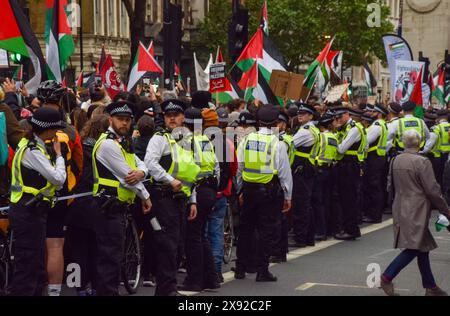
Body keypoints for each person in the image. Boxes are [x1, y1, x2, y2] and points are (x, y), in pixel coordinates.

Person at [91, 101, 152, 295]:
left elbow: (141, 165)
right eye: (120, 120)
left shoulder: (123, 142)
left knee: (113, 257)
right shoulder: (108, 144)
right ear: (111, 120)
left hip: (118, 207)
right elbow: (127, 177)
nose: (124, 123)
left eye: (127, 120)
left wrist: (142, 173)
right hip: (107, 206)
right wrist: (146, 195)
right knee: (109, 258)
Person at [380, 129, 450, 297]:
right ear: (419, 143)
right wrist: (445, 209)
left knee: (422, 247)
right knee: (414, 247)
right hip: (417, 209)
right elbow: (432, 190)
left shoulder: (395, 160)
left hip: (400, 206)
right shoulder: (422, 162)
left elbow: (390, 185)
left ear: (404, 142)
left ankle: (431, 286)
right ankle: (387, 276)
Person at [7, 108, 67, 296]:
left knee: (35, 263)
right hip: (28, 212)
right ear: (48, 130)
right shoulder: (33, 150)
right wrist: (59, 156)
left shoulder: (30, 144)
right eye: (56, 129)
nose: (57, 133)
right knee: (28, 266)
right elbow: (58, 179)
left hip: (30, 209)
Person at [144, 99, 200, 296]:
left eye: (176, 115)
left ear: (183, 117)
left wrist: (192, 200)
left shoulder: (187, 140)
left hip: (180, 200)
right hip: (163, 198)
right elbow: (149, 163)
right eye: (168, 116)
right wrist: (169, 180)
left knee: (176, 245)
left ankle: (167, 288)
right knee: (167, 246)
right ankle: (167, 290)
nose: (172, 119)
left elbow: (189, 173)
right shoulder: (159, 138)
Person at [234, 104, 292, 282]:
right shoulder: (278, 143)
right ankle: (262, 271)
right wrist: (288, 196)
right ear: (275, 123)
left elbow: (239, 168)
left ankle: (240, 268)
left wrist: (240, 190)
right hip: (269, 192)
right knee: (266, 231)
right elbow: (284, 173)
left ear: (258, 122)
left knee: (246, 230)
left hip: (249, 190)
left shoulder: (247, 140)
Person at [65, 114, 110, 296]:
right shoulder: (104, 149)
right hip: (97, 204)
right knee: (96, 248)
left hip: (76, 203)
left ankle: (77, 286)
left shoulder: (80, 146)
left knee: (77, 248)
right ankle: (95, 285)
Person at [179, 108, 220, 291]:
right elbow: (216, 168)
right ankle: (211, 279)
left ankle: (195, 280)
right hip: (210, 189)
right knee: (201, 236)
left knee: (193, 238)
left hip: (198, 191)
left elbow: (187, 169)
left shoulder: (186, 141)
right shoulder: (205, 140)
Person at [205, 107, 237, 282]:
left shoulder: (199, 141)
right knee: (216, 233)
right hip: (221, 193)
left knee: (203, 234)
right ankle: (216, 271)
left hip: (205, 193)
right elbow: (233, 168)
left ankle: (206, 271)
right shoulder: (228, 143)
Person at [333, 106, 367, 240]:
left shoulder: (354, 129)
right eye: (336, 118)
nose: (338, 120)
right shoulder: (348, 128)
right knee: (345, 198)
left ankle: (351, 230)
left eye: (340, 117)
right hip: (348, 165)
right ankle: (348, 228)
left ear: (347, 115)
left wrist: (333, 137)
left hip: (350, 165)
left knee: (349, 199)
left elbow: (341, 149)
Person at [291, 102, 320, 247]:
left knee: (300, 205)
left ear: (310, 116)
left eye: (303, 114)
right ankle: (308, 237)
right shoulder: (312, 129)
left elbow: (290, 144)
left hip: (301, 171)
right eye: (299, 113)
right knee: (307, 205)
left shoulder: (305, 131)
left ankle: (300, 238)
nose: (299, 116)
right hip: (308, 170)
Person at [313, 113, 338, 241]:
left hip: (320, 170)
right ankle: (328, 229)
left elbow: (314, 152)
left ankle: (320, 231)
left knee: (319, 202)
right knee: (327, 200)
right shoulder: (333, 137)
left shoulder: (320, 136)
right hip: (331, 170)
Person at [362, 104, 389, 224]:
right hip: (379, 157)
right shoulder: (383, 124)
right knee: (377, 187)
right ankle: (375, 213)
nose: (371, 113)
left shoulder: (377, 125)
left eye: (373, 112)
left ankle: (374, 215)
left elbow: (366, 141)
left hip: (374, 158)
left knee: (373, 187)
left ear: (378, 114)